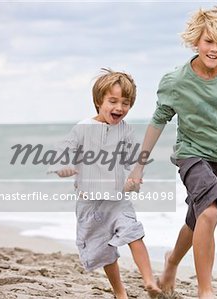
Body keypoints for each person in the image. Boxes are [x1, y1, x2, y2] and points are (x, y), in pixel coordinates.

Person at [125, 6, 217, 299]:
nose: (215, 50)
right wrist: (139, 166)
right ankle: (206, 291)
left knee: (198, 218)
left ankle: (172, 262)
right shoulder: (176, 81)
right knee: (210, 213)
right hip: (191, 154)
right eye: (209, 41)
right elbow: (158, 120)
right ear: (196, 41)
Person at [52, 69, 161, 299]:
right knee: (104, 250)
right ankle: (120, 292)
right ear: (98, 101)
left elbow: (134, 162)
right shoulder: (82, 128)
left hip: (117, 199)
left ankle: (150, 282)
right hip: (90, 204)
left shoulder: (126, 131)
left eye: (126, 103)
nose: (119, 108)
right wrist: (65, 167)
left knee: (133, 232)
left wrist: (135, 177)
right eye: (113, 101)